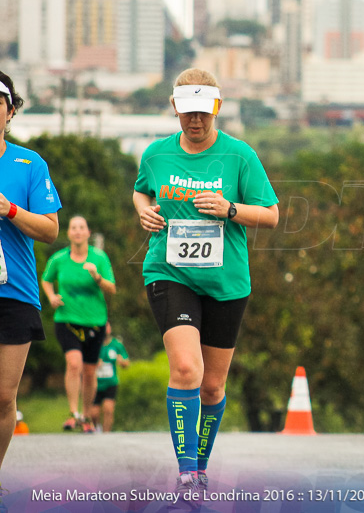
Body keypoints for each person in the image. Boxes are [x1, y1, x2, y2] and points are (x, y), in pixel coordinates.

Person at [133, 68, 279, 502]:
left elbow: (270, 214)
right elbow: (142, 191)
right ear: (175, 108)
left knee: (213, 386)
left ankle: (200, 467)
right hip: (169, 272)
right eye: (186, 112)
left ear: (216, 108)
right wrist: (144, 210)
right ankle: (186, 476)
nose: (195, 121)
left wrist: (230, 208)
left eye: (203, 112)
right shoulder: (156, 155)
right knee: (186, 370)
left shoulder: (239, 156)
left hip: (226, 281)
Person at [0, 71, 61, 473]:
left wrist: (11, 210)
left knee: (4, 397)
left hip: (15, 292)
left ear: (10, 111)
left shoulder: (28, 163)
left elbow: (51, 229)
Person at [40, 215, 116, 433]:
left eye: (82, 227)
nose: (78, 231)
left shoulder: (99, 258)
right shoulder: (58, 259)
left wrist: (97, 277)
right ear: (69, 233)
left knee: (90, 372)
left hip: (95, 321)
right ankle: (73, 413)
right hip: (67, 320)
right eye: (74, 228)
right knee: (74, 364)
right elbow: (46, 279)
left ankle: (86, 415)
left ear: (88, 233)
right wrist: (52, 296)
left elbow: (112, 289)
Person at [90, 322, 130, 433]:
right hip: (95, 383)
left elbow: (127, 363)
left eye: (107, 326)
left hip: (110, 383)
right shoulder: (93, 344)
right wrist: (95, 363)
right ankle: (96, 429)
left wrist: (121, 361)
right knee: (94, 413)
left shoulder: (116, 345)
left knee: (108, 409)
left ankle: (106, 434)